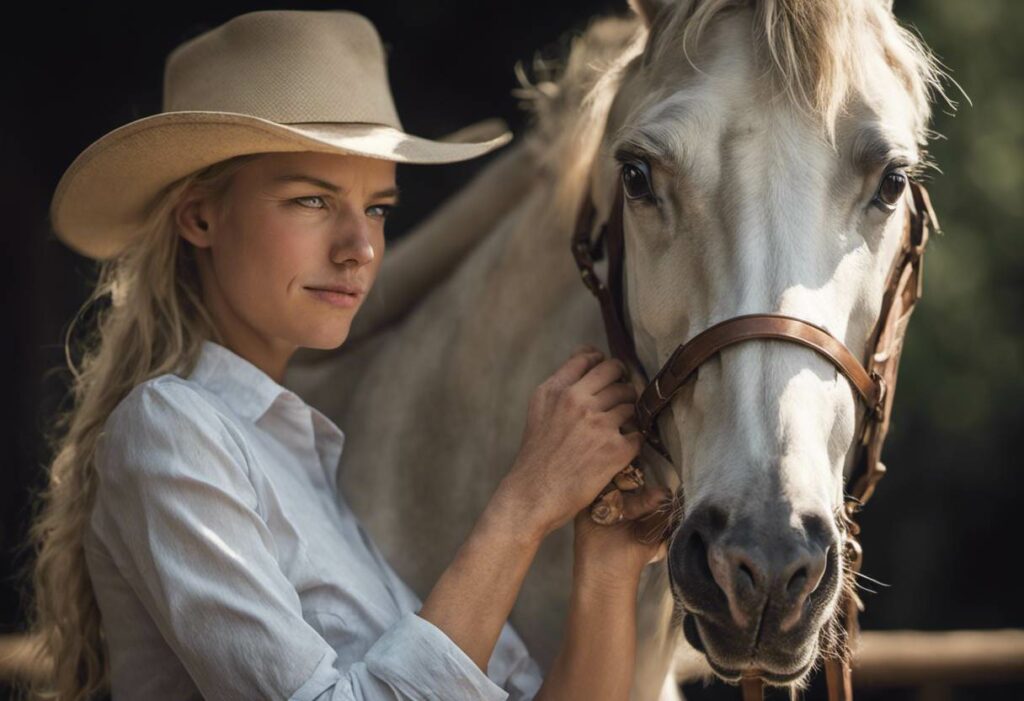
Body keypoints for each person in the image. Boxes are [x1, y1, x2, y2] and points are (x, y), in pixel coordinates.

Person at [23, 9, 672, 701]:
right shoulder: (169, 430)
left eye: (377, 209)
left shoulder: (311, 464)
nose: (358, 248)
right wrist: (525, 502)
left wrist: (607, 565)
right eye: (312, 199)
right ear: (200, 217)